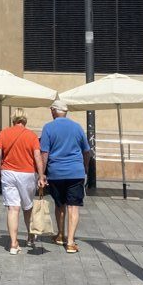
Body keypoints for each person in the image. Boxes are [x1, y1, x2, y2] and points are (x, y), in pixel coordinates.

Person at [39, 99, 90, 254]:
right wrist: (85, 168)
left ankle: (60, 235)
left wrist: (42, 173)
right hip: (76, 172)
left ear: (54, 111)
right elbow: (87, 151)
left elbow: (44, 153)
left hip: (56, 173)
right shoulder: (77, 127)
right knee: (73, 207)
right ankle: (70, 242)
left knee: (59, 205)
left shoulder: (48, 127)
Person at [0, 110, 46, 254]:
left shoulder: (4, 133)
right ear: (25, 120)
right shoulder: (32, 135)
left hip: (8, 173)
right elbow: (37, 156)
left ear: (13, 119)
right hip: (27, 173)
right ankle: (30, 236)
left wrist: (0, 169)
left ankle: (13, 244)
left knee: (13, 208)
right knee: (27, 207)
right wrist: (41, 176)